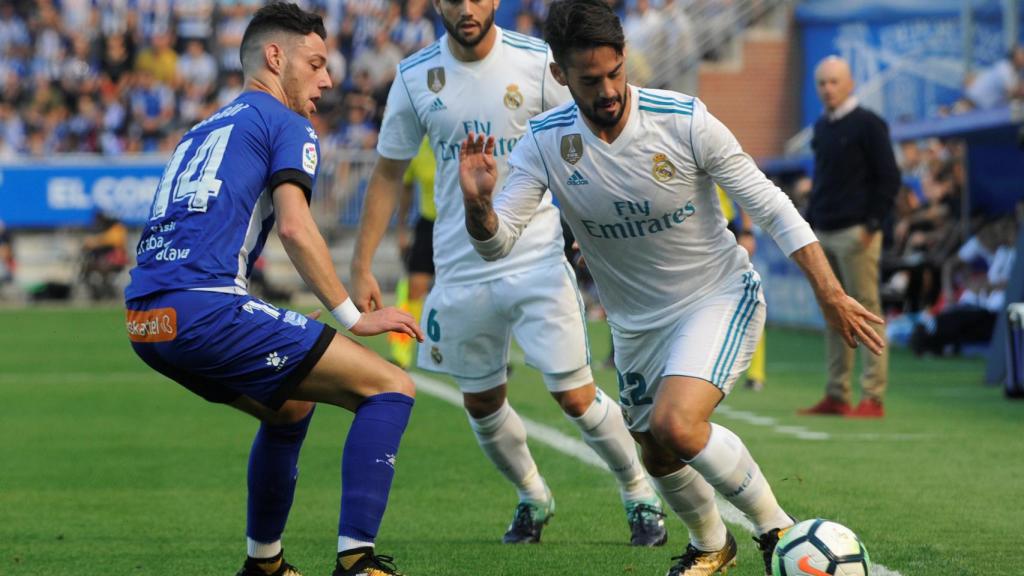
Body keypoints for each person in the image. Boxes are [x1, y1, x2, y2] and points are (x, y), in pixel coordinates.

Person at [456, 1, 885, 574]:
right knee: (656, 451)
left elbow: (771, 204)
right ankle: (711, 545)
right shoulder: (543, 143)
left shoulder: (683, 119)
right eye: (589, 80)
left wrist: (829, 292)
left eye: (614, 73)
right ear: (559, 75)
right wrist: (479, 206)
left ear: (626, 58)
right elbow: (499, 240)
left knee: (675, 424)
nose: (607, 90)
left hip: (716, 296)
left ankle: (776, 532)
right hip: (636, 326)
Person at [350, 0, 668, 547]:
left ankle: (640, 493)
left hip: (536, 256)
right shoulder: (412, 77)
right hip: (458, 269)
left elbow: (587, 136)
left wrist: (595, 221)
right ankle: (532, 495)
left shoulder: (538, 63)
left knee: (575, 395)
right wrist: (360, 264)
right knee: (481, 402)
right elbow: (386, 174)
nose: (466, 8)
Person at [123, 5, 422, 576]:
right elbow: (294, 226)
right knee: (390, 387)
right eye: (315, 64)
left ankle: (265, 565)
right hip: (204, 307)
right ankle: (357, 563)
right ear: (274, 58)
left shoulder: (203, 127)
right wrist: (352, 317)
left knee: (289, 409)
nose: (327, 81)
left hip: (145, 320)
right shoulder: (285, 122)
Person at [800, 56, 899, 419]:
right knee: (834, 315)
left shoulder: (870, 124)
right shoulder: (822, 128)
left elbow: (889, 178)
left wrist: (871, 224)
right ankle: (837, 394)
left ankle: (872, 396)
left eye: (834, 81)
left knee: (867, 312)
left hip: (857, 233)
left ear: (850, 83)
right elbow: (824, 181)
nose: (828, 88)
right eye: (822, 83)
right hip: (823, 231)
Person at [389, 137, 437, 368]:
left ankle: (493, 357)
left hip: (461, 225)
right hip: (428, 224)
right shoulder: (419, 146)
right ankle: (401, 354)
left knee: (479, 291)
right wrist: (401, 230)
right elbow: (406, 189)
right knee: (413, 289)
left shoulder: (459, 138)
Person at [81, 211, 128, 300]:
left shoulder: (117, 228)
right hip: (104, 261)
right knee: (87, 269)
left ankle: (109, 292)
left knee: (104, 268)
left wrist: (95, 241)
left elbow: (113, 240)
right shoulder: (100, 229)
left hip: (117, 261)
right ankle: (96, 294)